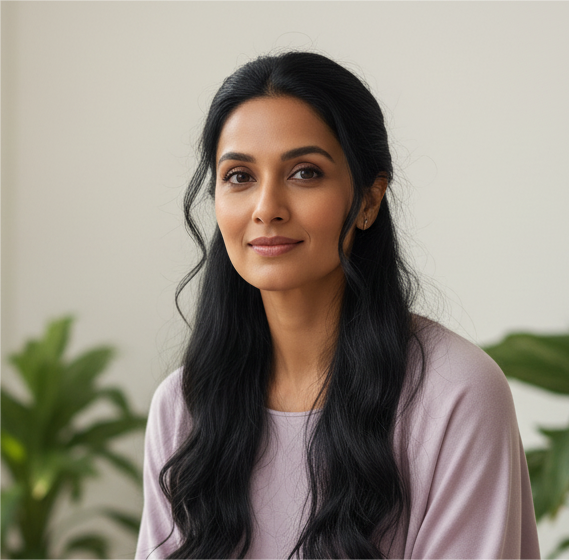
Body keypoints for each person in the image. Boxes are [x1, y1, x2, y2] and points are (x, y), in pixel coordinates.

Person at [135, 51, 541, 560]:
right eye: (239, 176)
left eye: (305, 173)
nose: (266, 209)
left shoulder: (455, 395)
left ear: (370, 200)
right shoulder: (183, 407)